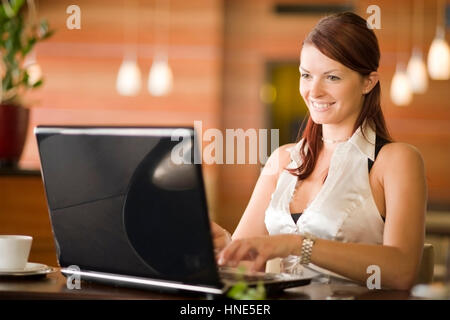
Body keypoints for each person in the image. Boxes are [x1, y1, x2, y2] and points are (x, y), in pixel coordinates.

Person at [211, 12, 427, 291]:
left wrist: (297, 244)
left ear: (368, 82)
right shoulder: (282, 159)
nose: (314, 91)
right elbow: (242, 271)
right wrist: (225, 249)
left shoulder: (396, 160)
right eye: (306, 75)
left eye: (332, 77)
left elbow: (402, 270)